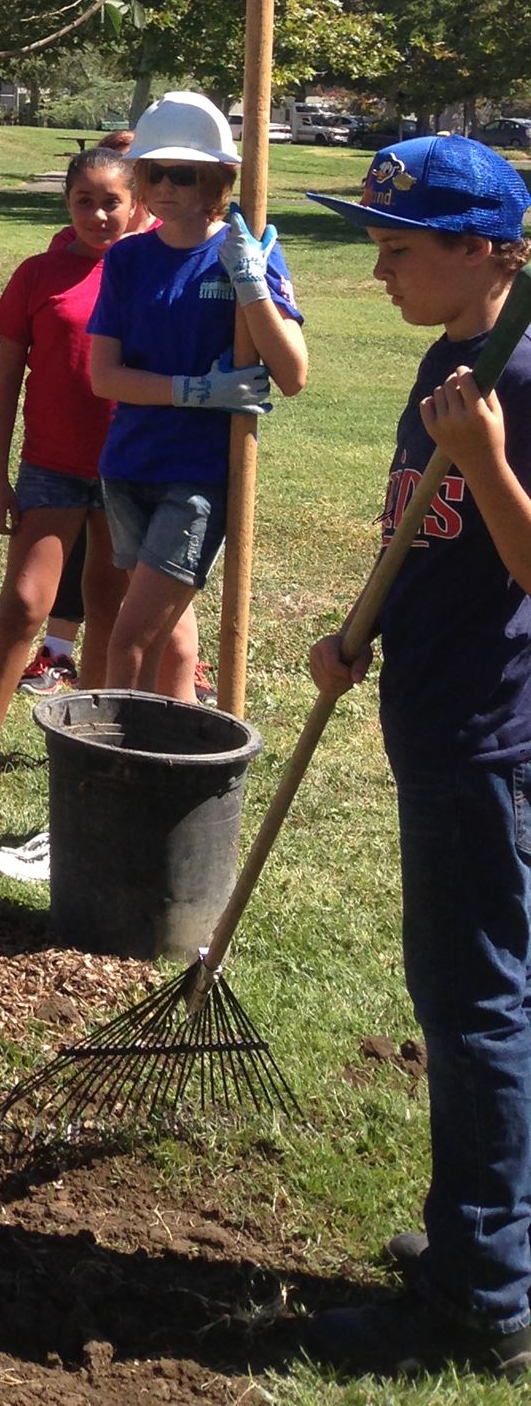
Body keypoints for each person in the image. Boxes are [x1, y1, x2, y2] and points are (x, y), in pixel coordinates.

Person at [305, 137, 531, 1383]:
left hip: (484, 745)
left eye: (400, 249)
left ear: (482, 248)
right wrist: (356, 633)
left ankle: (483, 1291)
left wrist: (491, 456)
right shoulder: (455, 358)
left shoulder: (519, 376)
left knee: (476, 1010)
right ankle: (479, 1237)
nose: (379, 269)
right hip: (430, 713)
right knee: (473, 1000)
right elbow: (424, 532)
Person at [85, 90, 307, 698]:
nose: (162, 186)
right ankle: (177, 755)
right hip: (129, 466)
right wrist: (198, 391)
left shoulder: (247, 250)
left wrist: (251, 284)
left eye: (180, 173)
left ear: (218, 177)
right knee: (174, 638)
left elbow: (292, 374)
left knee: (129, 640)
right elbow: (105, 376)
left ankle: (121, 767)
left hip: (198, 478)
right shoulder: (129, 258)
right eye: (151, 171)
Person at [0, 139, 140, 808]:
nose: (97, 215)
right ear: (67, 204)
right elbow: (5, 383)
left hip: (126, 473)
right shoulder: (38, 274)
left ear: (136, 204)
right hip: (49, 469)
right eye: (84, 202)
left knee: (106, 607)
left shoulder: (148, 273)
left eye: (111, 203)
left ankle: (83, 746)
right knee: (26, 604)